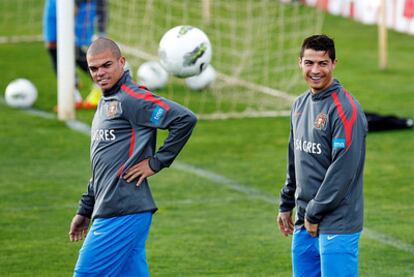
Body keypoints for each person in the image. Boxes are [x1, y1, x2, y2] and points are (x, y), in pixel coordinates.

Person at [68, 38, 197, 276]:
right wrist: (85, 208)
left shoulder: (132, 98)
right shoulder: (106, 99)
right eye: (93, 69)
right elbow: (102, 164)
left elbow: (184, 119)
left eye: (106, 65)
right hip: (116, 209)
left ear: (122, 62)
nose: (100, 73)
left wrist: (156, 162)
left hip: (122, 210)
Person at [276, 34, 368, 277]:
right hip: (304, 221)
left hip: (337, 223)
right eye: (309, 63)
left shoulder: (345, 110)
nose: (315, 70)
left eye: (322, 63)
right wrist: (286, 204)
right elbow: (295, 159)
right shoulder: (299, 104)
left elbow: (343, 171)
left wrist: (314, 213)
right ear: (300, 63)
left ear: (334, 64)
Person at [43, 0, 106, 109]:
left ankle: (103, 84)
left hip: (78, 4)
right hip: (55, 3)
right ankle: (74, 94)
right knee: (52, 45)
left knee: (74, 46)